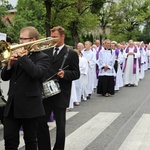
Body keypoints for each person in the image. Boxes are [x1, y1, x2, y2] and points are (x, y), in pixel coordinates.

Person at [1, 26, 50, 150]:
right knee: (10, 140)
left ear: (33, 40)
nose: (20, 41)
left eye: (23, 39)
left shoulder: (42, 57)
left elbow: (36, 73)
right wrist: (10, 65)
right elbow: (4, 77)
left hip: (31, 106)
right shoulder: (16, 55)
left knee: (30, 141)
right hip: (12, 105)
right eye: (20, 38)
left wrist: (23, 58)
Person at [37, 26, 80, 150]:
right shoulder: (46, 51)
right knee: (41, 121)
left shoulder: (71, 53)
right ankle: (44, 147)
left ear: (62, 36)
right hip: (46, 92)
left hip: (61, 93)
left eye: (55, 37)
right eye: (51, 37)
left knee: (60, 125)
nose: (53, 39)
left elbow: (76, 73)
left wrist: (65, 74)